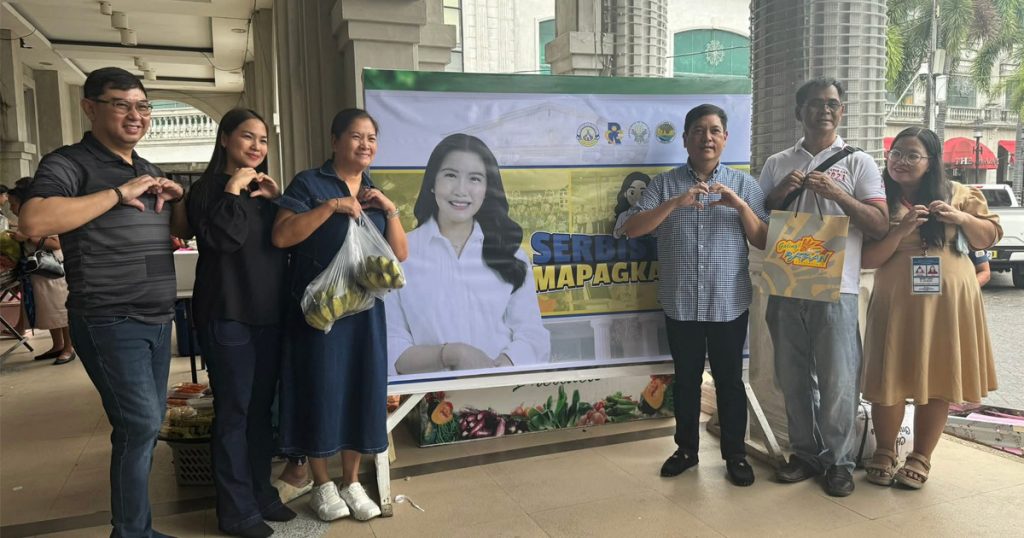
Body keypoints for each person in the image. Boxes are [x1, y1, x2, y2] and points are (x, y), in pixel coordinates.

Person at [18, 66, 189, 537]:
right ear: (90, 108)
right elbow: (33, 221)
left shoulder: (148, 168)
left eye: (143, 106)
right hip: (109, 316)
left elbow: (179, 230)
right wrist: (117, 193)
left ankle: (136, 528)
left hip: (157, 316)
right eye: (122, 104)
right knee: (140, 424)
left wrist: (177, 198)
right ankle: (131, 532)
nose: (136, 115)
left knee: (146, 424)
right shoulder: (70, 163)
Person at [271, 108, 408, 523]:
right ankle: (321, 483)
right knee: (320, 388)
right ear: (334, 141)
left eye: (371, 138)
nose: (365, 145)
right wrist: (332, 206)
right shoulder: (309, 184)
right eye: (356, 136)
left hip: (364, 313)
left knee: (359, 389)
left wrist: (390, 209)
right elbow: (282, 236)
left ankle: (350, 481)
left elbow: (399, 255)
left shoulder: (373, 190)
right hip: (320, 312)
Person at [622, 104, 768, 487]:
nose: (707, 137)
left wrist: (739, 206)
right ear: (686, 139)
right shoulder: (664, 185)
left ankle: (735, 455)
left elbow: (764, 239)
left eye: (715, 130)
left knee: (729, 382)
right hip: (681, 302)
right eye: (699, 130)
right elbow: (631, 228)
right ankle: (686, 450)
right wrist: (675, 204)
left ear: (725, 138)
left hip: (728, 302)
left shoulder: (745, 185)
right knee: (686, 380)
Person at [758, 77, 889, 497]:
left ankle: (840, 461)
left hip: (839, 287)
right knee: (792, 376)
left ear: (842, 111)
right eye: (816, 104)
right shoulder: (778, 162)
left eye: (832, 104)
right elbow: (760, 221)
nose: (825, 110)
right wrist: (781, 192)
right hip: (786, 280)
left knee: (838, 380)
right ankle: (805, 454)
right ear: (800, 112)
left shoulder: (859, 163)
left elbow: (879, 224)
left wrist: (838, 194)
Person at [861, 127, 1001, 489]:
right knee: (889, 373)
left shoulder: (959, 193)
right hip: (896, 299)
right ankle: (885, 450)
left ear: (931, 161)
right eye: (896, 153)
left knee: (939, 374)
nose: (901, 161)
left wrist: (960, 218)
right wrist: (901, 230)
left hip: (947, 301)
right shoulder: (878, 197)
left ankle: (921, 456)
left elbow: (987, 236)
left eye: (912, 155)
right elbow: (868, 259)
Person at [186, 108, 295, 537]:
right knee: (234, 412)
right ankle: (236, 512)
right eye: (248, 137)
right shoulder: (206, 190)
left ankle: (261, 494)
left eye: (263, 140)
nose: (257, 146)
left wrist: (278, 200)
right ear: (225, 139)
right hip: (227, 315)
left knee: (259, 413)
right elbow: (221, 239)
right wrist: (233, 188)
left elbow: (283, 244)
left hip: (268, 315)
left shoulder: (263, 193)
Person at [385, 133, 549, 376]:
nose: (461, 190)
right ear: (432, 182)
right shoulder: (400, 254)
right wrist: (452, 354)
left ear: (487, 189)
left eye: (475, 178)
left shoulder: (510, 254)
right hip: (426, 396)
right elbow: (391, 345)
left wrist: (496, 370)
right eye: (450, 175)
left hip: (500, 391)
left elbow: (532, 335)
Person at [7, 185, 76, 365]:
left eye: (13, 204)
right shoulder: (25, 220)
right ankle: (57, 345)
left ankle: (69, 348)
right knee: (49, 311)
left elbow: (56, 243)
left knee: (60, 311)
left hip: (51, 271)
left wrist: (28, 237)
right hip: (38, 273)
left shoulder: (43, 217)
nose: (11, 208)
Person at [612, 171, 652, 238]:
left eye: (642, 193)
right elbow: (615, 235)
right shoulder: (623, 215)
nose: (637, 196)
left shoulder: (651, 214)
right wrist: (624, 228)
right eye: (632, 192)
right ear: (625, 193)